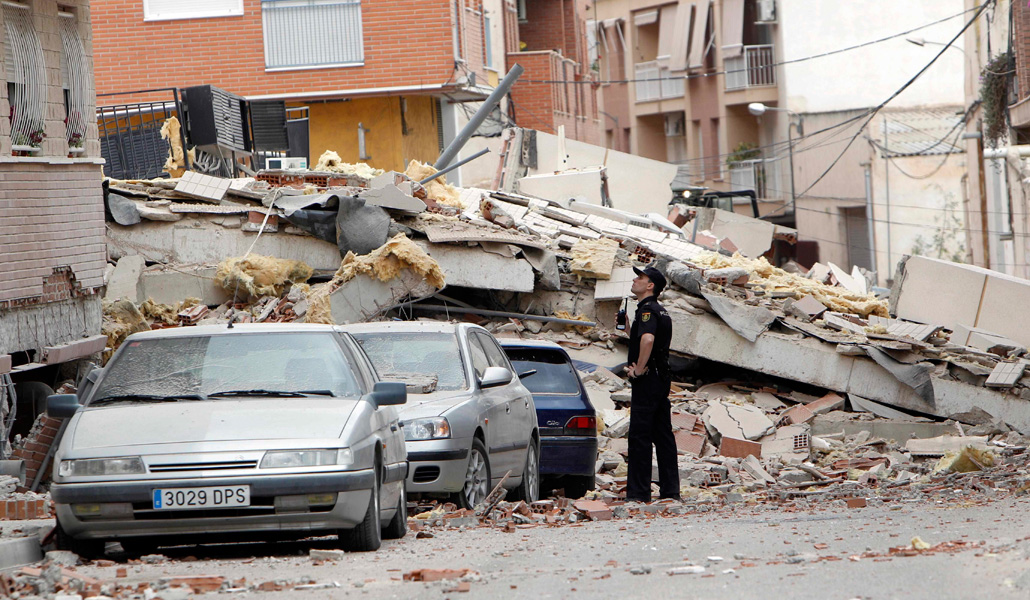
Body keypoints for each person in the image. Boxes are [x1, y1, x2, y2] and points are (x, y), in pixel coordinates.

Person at [623, 265, 679, 502]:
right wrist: (627, 328)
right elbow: (645, 339)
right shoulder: (661, 311)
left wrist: (638, 369)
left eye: (640, 277)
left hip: (648, 380)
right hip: (661, 378)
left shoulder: (647, 310)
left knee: (640, 437)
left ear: (650, 286)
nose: (635, 280)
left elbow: (647, 340)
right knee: (663, 436)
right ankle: (670, 491)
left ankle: (638, 492)